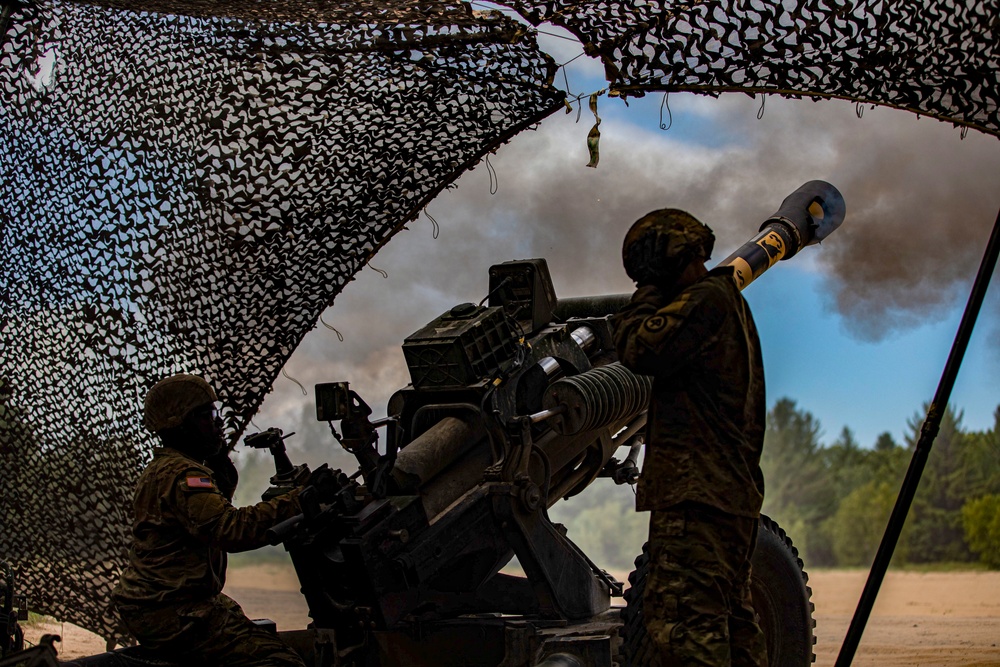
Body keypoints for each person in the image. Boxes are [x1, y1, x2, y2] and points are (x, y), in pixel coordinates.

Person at [611, 210, 768, 667]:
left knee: (684, 632)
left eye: (646, 273)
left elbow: (639, 347)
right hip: (727, 495)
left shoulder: (705, 300)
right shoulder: (727, 301)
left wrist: (644, 300)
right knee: (733, 629)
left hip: (696, 497)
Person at [113, 373, 306, 666]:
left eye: (216, 413)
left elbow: (204, 515)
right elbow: (230, 530)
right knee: (280, 661)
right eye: (205, 415)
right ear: (179, 424)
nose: (218, 423)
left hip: (163, 603)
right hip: (175, 610)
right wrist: (299, 500)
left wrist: (218, 462)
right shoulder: (184, 475)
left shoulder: (163, 468)